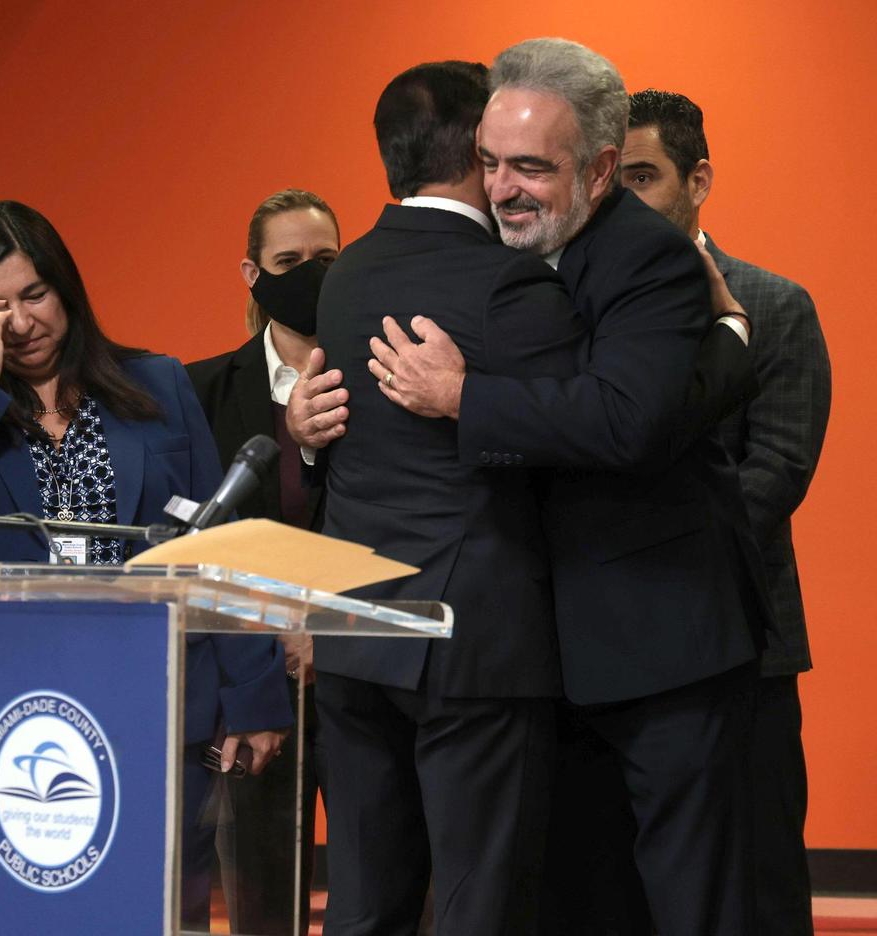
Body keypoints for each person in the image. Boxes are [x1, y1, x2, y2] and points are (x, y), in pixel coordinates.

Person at [294, 39, 773, 936]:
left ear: (599, 170)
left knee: (688, 901)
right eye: (490, 163)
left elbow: (628, 418)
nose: (505, 187)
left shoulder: (647, 258)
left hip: (656, 640)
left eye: (530, 168)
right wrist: (308, 426)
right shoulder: (500, 260)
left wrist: (466, 396)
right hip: (532, 648)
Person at [0, 200, 291, 929]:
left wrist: (253, 692)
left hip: (152, 710)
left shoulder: (156, 385)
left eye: (37, 295)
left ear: (67, 290)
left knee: (156, 914)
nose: (25, 322)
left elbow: (220, 543)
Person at [307, 62, 588, 936]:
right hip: (474, 640)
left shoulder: (343, 276)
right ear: (480, 149)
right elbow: (573, 442)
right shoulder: (512, 282)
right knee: (482, 903)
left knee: (363, 900)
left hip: (353, 627)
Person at [619, 88, 830, 936]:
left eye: (644, 176)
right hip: (604, 656)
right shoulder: (570, 309)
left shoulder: (774, 307)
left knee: (758, 888)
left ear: (698, 179)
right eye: (612, 177)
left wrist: (628, 541)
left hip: (746, 649)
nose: (623, 199)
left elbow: (775, 473)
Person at [185, 188, 337, 935]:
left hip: (365, 678)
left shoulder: (392, 378)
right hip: (254, 684)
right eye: (289, 261)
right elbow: (196, 545)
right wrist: (270, 634)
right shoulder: (200, 391)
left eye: (327, 260)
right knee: (260, 900)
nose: (309, 273)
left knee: (392, 883)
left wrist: (327, 629)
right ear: (252, 273)